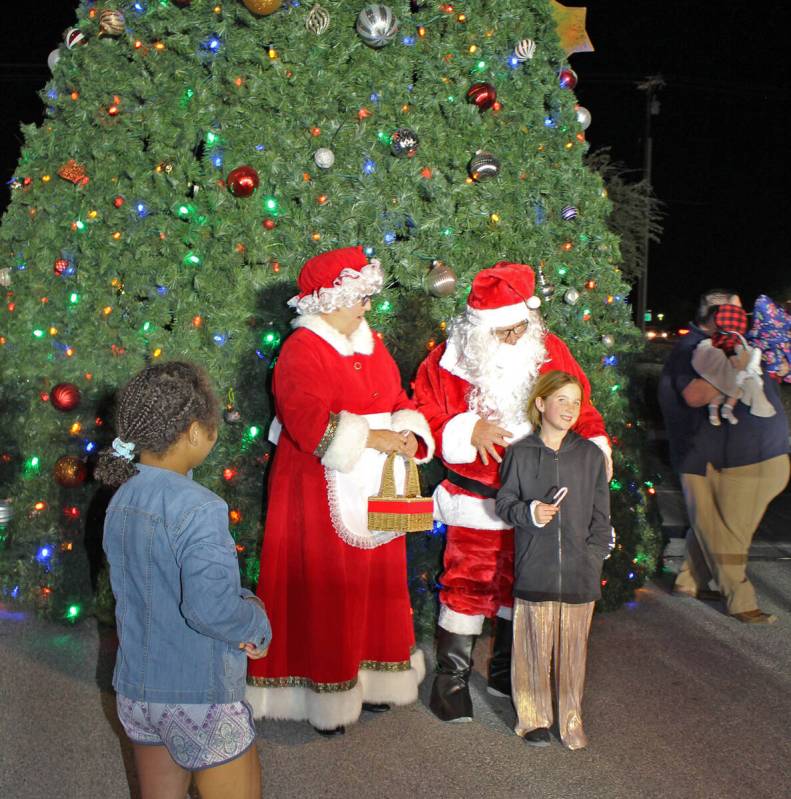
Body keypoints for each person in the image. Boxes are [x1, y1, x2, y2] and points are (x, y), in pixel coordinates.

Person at [246, 246, 435, 734]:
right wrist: (371, 437)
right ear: (330, 300)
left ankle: (369, 680)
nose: (367, 307)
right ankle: (324, 690)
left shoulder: (372, 343)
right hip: (317, 486)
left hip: (373, 484)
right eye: (360, 299)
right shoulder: (302, 349)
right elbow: (304, 417)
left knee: (373, 584)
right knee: (327, 586)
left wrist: (409, 431)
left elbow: (397, 398)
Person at [413, 261, 610, 722]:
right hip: (477, 498)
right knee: (467, 584)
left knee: (520, 586)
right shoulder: (447, 360)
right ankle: (450, 683)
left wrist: (595, 448)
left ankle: (506, 671)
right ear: (480, 331)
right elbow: (424, 413)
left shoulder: (549, 350)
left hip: (539, 501)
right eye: (503, 332)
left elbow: (580, 406)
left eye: (520, 327)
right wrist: (468, 427)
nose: (514, 338)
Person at [95, 362, 271, 799]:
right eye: (212, 429)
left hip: (136, 693)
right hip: (199, 696)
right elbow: (209, 609)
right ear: (195, 432)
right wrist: (254, 620)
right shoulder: (201, 507)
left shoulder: (120, 498)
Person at [658, 289, 790, 623]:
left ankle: (690, 581)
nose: (742, 318)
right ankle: (740, 600)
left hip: (754, 457)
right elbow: (694, 395)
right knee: (727, 532)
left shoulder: (736, 344)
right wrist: (740, 371)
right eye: (735, 312)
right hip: (712, 460)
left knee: (718, 526)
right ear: (716, 315)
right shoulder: (693, 348)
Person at [496, 370, 611, 750]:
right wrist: (530, 511)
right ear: (541, 404)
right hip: (536, 566)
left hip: (580, 571)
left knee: (574, 652)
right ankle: (533, 718)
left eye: (576, 401)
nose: (570, 408)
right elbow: (505, 503)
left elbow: (601, 517)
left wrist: (594, 558)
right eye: (561, 399)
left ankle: (571, 719)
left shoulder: (590, 455)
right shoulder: (520, 453)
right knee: (532, 645)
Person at [691, 303, 774, 426]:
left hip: (735, 371)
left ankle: (727, 409)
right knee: (718, 388)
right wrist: (731, 355)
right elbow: (723, 345)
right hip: (721, 368)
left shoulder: (736, 337)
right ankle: (714, 410)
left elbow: (739, 346)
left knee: (735, 389)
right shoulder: (718, 337)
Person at [747, 294, 791, 384]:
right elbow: (762, 301)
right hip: (760, 353)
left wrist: (787, 365)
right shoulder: (779, 314)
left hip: (770, 365)